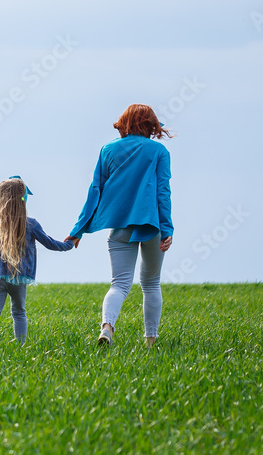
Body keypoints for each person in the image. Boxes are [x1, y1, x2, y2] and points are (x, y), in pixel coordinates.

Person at [64, 104, 174, 347]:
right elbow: (162, 192)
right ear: (150, 125)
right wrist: (167, 229)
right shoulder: (159, 151)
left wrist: (78, 230)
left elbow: (95, 190)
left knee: (120, 284)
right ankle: (150, 342)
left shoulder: (107, 150)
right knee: (151, 283)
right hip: (152, 226)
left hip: (119, 227)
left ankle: (107, 327)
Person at [0, 176, 73, 342]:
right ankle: (20, 346)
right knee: (18, 312)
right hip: (19, 277)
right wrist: (69, 244)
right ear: (23, 200)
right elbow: (51, 244)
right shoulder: (31, 224)